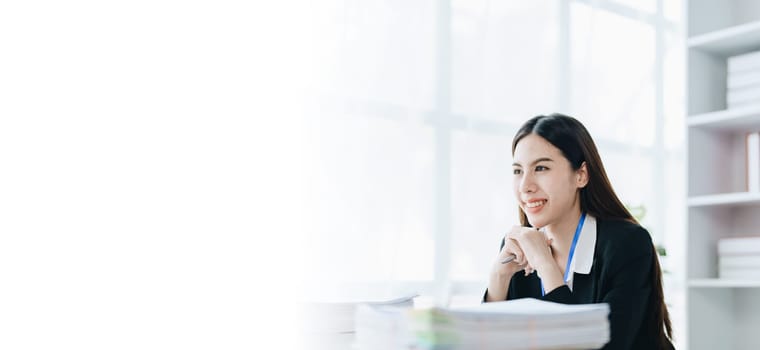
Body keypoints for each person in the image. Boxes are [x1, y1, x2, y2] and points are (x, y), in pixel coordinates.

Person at [484, 114, 674, 350]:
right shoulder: (517, 248)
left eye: (541, 168)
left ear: (581, 175)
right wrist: (498, 279)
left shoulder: (627, 244)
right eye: (517, 171)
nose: (525, 186)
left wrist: (546, 266)